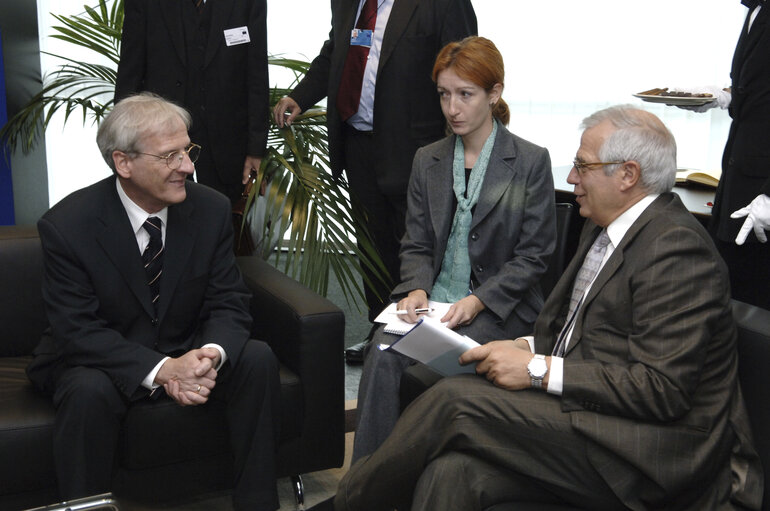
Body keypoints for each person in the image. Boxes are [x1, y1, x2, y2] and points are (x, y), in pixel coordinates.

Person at [334, 106, 764, 511]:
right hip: (596, 419)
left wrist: (537, 369)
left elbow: (661, 389)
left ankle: (347, 503)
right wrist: (523, 343)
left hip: (651, 454)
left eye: (584, 165)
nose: (573, 178)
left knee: (454, 403)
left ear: (628, 175)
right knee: (452, 473)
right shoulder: (607, 229)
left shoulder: (676, 248)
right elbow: (590, 330)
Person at [26, 94, 281, 511]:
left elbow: (229, 300)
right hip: (103, 359)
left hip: (186, 344)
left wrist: (209, 356)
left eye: (187, 150)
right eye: (169, 156)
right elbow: (78, 331)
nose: (187, 166)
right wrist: (163, 370)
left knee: (256, 359)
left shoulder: (211, 209)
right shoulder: (68, 226)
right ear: (123, 162)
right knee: (86, 390)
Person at [352, 36, 556, 462]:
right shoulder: (428, 159)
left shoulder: (530, 160)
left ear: (494, 93)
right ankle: (368, 482)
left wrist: (479, 301)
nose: (452, 108)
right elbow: (417, 243)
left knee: (427, 364)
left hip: (498, 309)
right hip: (433, 304)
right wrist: (415, 288)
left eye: (465, 95)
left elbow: (533, 256)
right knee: (381, 350)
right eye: (445, 95)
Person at [273, 0, 478, 361]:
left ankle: (425, 340)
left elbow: (465, 67)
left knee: (417, 245)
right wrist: (300, 97)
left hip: (418, 149)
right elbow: (334, 52)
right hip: (357, 143)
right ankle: (381, 329)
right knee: (374, 246)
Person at [115, 0, 269, 202]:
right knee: (167, 225)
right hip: (161, 143)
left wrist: (256, 149)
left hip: (227, 146)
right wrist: (123, 144)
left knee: (222, 221)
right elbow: (130, 70)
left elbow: (257, 72)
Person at [678, 0, 770, 309]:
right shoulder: (756, 10)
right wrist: (725, 97)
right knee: (731, 309)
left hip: (762, 203)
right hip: (738, 189)